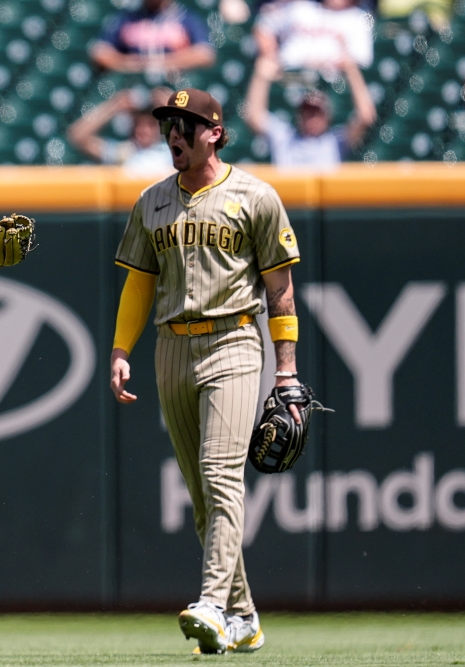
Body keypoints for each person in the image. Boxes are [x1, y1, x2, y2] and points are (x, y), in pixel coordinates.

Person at [110, 89, 303, 654]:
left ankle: (213, 604)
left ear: (215, 132)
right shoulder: (152, 201)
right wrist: (121, 349)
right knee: (202, 495)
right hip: (171, 347)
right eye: (169, 124)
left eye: (186, 125)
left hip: (234, 342)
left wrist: (285, 373)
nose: (174, 134)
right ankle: (243, 616)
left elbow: (280, 292)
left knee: (221, 476)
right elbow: (139, 281)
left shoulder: (255, 196)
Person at [243, 56, 377, 168]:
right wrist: (260, 77)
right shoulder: (284, 138)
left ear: (327, 117)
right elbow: (253, 116)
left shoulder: (335, 142)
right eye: (307, 112)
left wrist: (352, 71)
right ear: (299, 115)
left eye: (317, 113)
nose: (312, 118)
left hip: (326, 199)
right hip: (288, 198)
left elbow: (365, 117)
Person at [66, 87, 174, 175]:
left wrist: (175, 108)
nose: (143, 130)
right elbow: (77, 136)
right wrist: (114, 106)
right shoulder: (123, 152)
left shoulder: (172, 153)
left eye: (150, 125)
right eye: (138, 124)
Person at [90, 0, 216, 74]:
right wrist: (128, 63)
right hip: (132, 88)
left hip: (175, 84)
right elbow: (100, 53)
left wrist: (160, 63)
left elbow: (205, 55)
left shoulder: (187, 17)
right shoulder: (127, 16)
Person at [253, 0, 373, 74]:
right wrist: (270, 53)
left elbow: (360, 61)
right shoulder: (301, 8)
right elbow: (264, 25)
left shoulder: (357, 18)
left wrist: (321, 64)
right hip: (288, 76)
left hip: (332, 82)